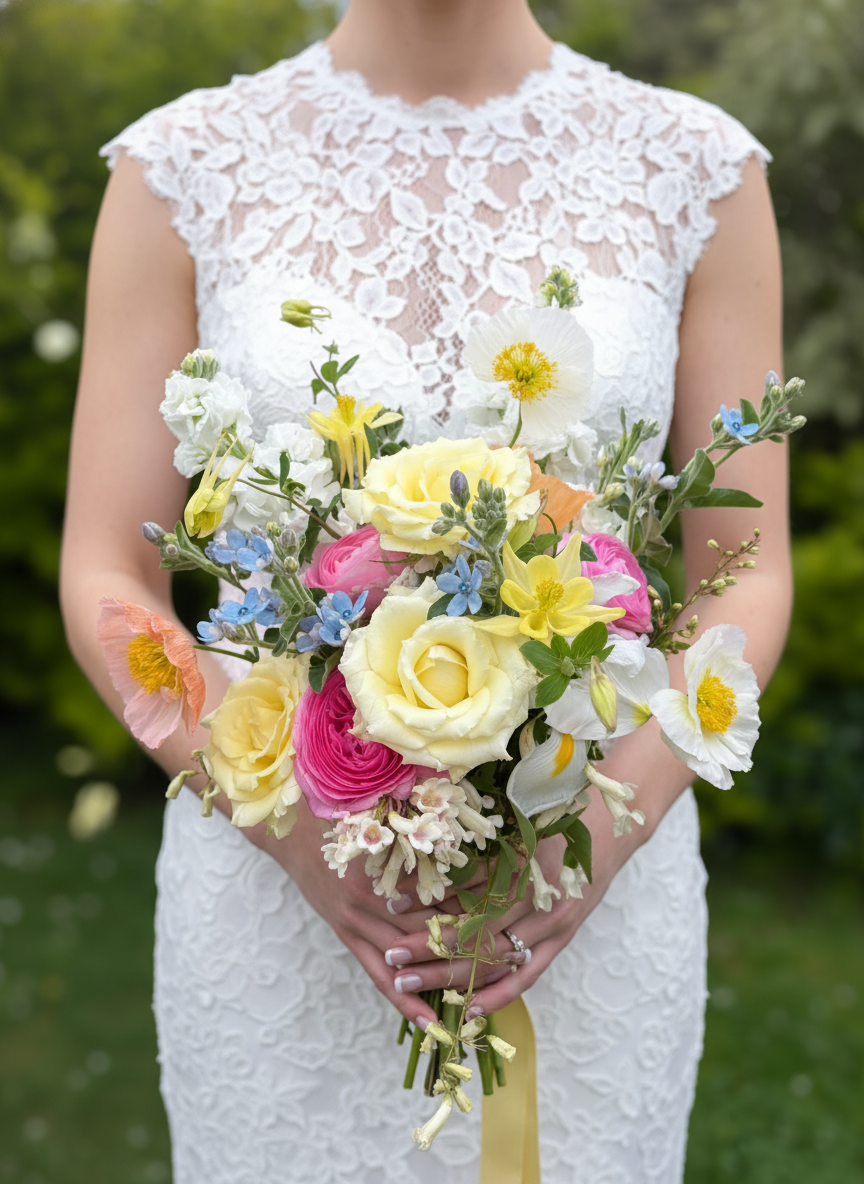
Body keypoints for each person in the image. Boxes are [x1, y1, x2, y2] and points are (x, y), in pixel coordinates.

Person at [60, 1, 792, 1180]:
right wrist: (295, 836)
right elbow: (108, 563)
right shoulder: (179, 167)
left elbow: (742, 575)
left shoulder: (698, 166)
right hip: (278, 891)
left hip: (590, 876)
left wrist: (594, 844)